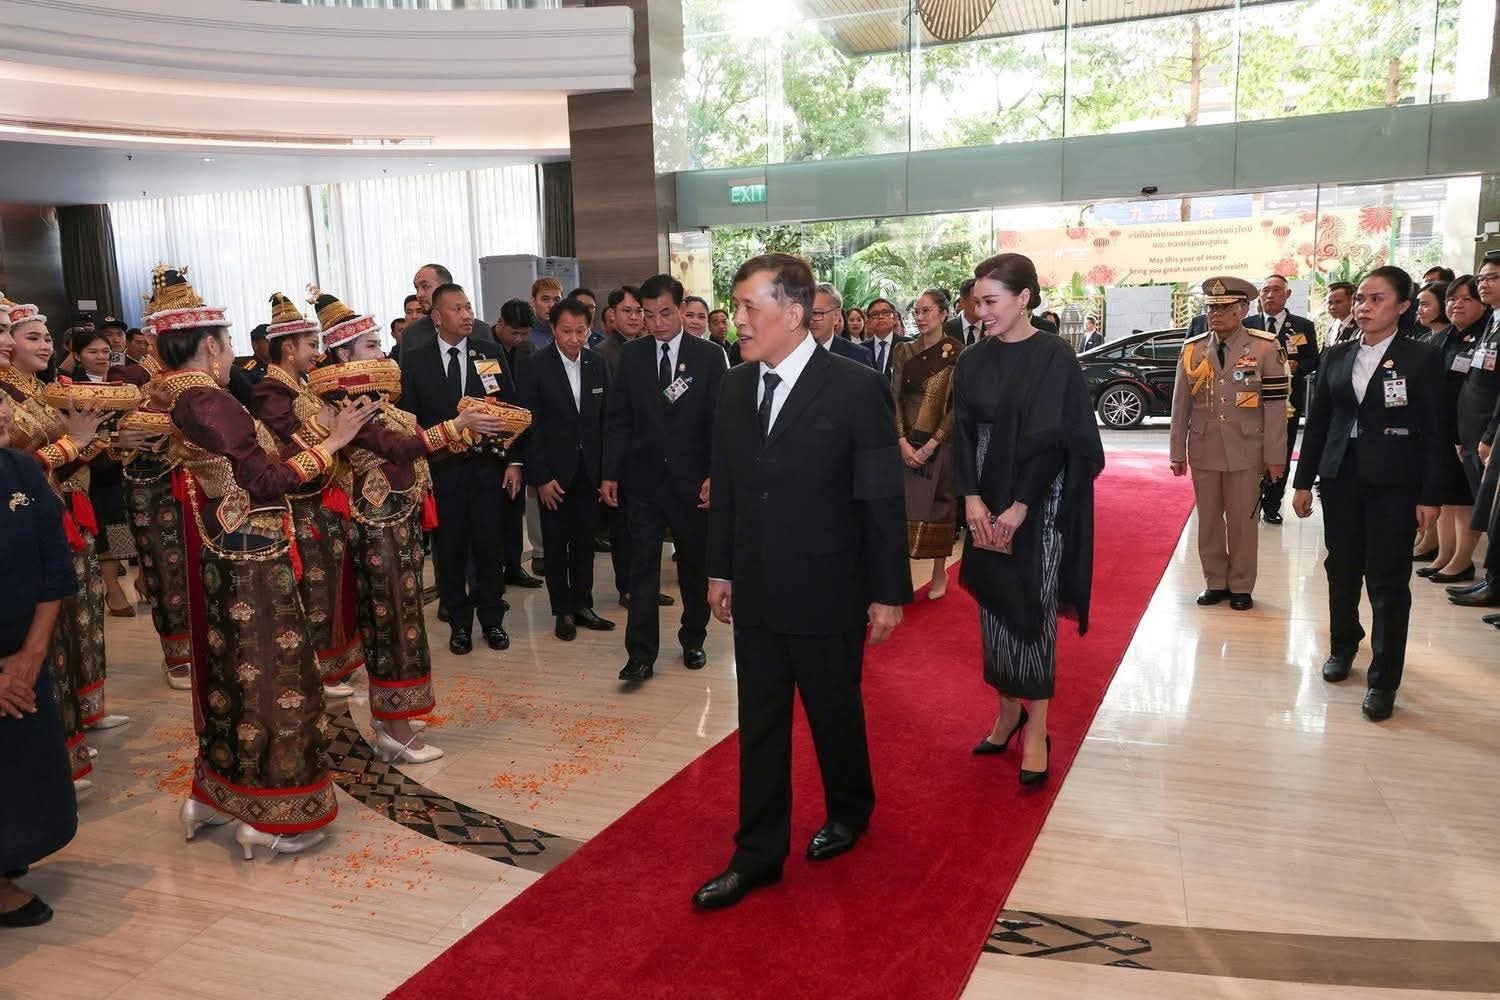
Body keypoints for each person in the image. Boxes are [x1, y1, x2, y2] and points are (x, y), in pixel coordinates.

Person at [693, 253, 910, 910]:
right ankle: (758, 853)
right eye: (734, 309)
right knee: (759, 725)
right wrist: (720, 567)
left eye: (749, 308)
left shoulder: (853, 386)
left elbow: (879, 495)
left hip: (829, 589)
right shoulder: (733, 385)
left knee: (832, 712)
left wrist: (888, 590)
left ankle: (849, 808)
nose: (738, 321)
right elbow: (727, 484)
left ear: (794, 312)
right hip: (756, 588)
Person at [151, 273, 378, 859]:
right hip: (251, 557)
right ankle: (275, 818)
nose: (234, 356)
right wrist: (333, 444)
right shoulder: (206, 399)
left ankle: (215, 795)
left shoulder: (183, 395)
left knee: (236, 678)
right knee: (278, 682)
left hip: (234, 552)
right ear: (210, 346)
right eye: (228, 344)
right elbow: (265, 478)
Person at [314, 292, 504, 763]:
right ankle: (395, 730)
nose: (381, 353)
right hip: (376, 526)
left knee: (402, 620)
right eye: (371, 347)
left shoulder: (371, 396)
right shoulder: (349, 403)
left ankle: (392, 717)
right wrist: (454, 425)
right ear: (343, 356)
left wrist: (459, 434)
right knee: (392, 621)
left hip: (396, 523)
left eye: (379, 345)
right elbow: (395, 447)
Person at [952, 253, 1103, 786]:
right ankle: (1007, 710)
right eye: (976, 302)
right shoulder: (971, 360)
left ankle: (1037, 726)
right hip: (985, 493)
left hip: (1040, 501)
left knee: (1031, 609)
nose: (980, 312)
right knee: (993, 603)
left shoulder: (1054, 356)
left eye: (991, 302)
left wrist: (1018, 507)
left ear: (1024, 299)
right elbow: (964, 433)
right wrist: (971, 498)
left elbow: (1056, 443)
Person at [1292, 266, 1445, 722]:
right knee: (1341, 567)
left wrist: (1430, 495)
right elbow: (1318, 423)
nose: (1364, 306)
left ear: (1402, 306)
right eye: (1360, 298)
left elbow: (1437, 431)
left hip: (1396, 483)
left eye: (1377, 299)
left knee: (1387, 579)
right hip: (1341, 478)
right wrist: (1303, 483)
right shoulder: (1337, 356)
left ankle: (1384, 679)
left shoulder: (1421, 358)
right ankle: (1343, 645)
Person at [2, 301, 125, 774]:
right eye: (25, 335)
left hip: (56, 510)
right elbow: (21, 464)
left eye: (40, 336)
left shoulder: (32, 390)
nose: (25, 343)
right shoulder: (11, 393)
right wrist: (75, 442)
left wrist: (95, 442)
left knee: (71, 624)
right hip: (23, 525)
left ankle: (77, 725)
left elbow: (53, 455)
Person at [602, 274, 726, 683]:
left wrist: (715, 474)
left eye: (665, 313)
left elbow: (719, 424)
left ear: (681, 308)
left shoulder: (708, 356)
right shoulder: (632, 357)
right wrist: (610, 473)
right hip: (643, 483)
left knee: (693, 565)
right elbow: (618, 419)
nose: (656, 323)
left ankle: (693, 637)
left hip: (693, 484)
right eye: (647, 314)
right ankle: (640, 654)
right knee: (641, 569)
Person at [250, 292, 366, 698]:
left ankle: (330, 663)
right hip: (300, 504)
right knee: (312, 587)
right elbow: (291, 444)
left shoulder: (302, 385)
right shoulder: (269, 391)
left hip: (323, 496)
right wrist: (331, 426)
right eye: (311, 345)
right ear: (288, 348)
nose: (317, 353)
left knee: (330, 582)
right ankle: (314, 668)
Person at [398, 282, 524, 654]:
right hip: (443, 472)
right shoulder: (417, 360)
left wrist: (515, 461)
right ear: (437, 317)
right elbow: (411, 421)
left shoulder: (488, 352)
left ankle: (492, 620)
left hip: (487, 470)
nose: (468, 315)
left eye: (469, 307)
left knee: (489, 546)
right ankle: (459, 623)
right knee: (449, 552)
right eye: (457, 309)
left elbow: (512, 408)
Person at [0, 397, 80, 928]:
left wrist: (30, 655)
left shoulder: (22, 467)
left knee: (28, 768)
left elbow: (55, 562)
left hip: (23, 650)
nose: (5, 411)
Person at [1168, 277, 1290, 611]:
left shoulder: (1265, 347)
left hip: (1247, 449)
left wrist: (1276, 456)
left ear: (1243, 309)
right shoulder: (1193, 349)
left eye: (1223, 308)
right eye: (1211, 308)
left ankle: (1240, 585)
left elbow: (1276, 408)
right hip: (1205, 447)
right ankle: (1215, 581)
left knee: (1242, 521)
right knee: (1208, 520)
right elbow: (1180, 406)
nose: (1216, 314)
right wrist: (1177, 451)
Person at [515, 298, 615, 641]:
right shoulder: (534, 365)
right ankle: (563, 611)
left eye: (580, 331)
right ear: (553, 329)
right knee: (556, 545)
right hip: (553, 475)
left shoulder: (597, 364)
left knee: (585, 542)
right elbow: (529, 425)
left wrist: (606, 473)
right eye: (566, 331)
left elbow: (606, 423)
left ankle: (583, 604)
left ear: (590, 330)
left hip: (589, 472)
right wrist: (541, 477)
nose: (574, 339)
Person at [893, 288, 963, 598]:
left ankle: (938, 574)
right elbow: (892, 397)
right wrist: (901, 441)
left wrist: (932, 444)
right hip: (905, 440)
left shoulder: (958, 351)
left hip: (941, 442)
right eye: (916, 312)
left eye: (926, 311)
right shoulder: (904, 351)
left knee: (940, 506)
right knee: (899, 509)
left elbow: (956, 406)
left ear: (943, 314)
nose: (920, 317)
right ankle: (899, 578)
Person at [1415, 277, 1485, 582]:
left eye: (1465, 299)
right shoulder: (1445, 337)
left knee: (1463, 499)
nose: (1456, 305)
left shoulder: (1481, 337)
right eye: (1452, 299)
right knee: (1445, 496)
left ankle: (1461, 559)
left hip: (1467, 432)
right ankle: (1445, 553)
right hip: (1441, 430)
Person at [1447, 251, 1500, 609]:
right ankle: (1492, 580)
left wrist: (1488, 436)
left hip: (1490, 434)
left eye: (1492, 277)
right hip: (1473, 430)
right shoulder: (1493, 321)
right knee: (1492, 513)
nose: (1483, 283)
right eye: (1481, 277)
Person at [1246, 274, 1320, 524]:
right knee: (1251, 452)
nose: (1269, 295)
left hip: (1288, 402)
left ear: (1287, 295)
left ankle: (1272, 505)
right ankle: (1249, 503)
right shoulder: (1247, 324)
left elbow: (1314, 359)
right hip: (1250, 401)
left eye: (1276, 290)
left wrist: (1297, 366)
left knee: (1281, 452)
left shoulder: (1302, 325)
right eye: (1265, 290)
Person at [496, 299, 544, 590]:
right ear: (500, 324)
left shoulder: (528, 350)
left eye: (525, 333)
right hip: (491, 436)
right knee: (494, 510)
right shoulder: (483, 348)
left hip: (521, 435)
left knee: (515, 509)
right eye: (514, 333)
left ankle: (514, 565)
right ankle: (492, 569)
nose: (520, 339)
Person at [398, 264, 496, 354]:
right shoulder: (411, 334)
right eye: (416, 288)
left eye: (425, 286)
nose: (419, 294)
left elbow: (490, 371)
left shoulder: (480, 330)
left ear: (445, 287)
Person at [811, 284, 874, 367]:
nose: (809, 320)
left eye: (816, 313)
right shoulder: (791, 351)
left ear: (836, 316)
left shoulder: (858, 356)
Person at [864, 298, 906, 379]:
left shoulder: (908, 345)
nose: (880, 317)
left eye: (885, 313)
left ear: (895, 318)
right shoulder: (861, 349)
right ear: (868, 322)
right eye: (875, 314)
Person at [528, 276, 564, 352]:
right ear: (533, 301)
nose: (551, 305)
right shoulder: (522, 333)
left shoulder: (569, 332)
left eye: (557, 300)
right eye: (545, 299)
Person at [1325, 281, 1358, 347]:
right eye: (1330, 303)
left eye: (1338, 302)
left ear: (1353, 302)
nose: (1332, 307)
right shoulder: (1334, 324)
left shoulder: (1360, 326)